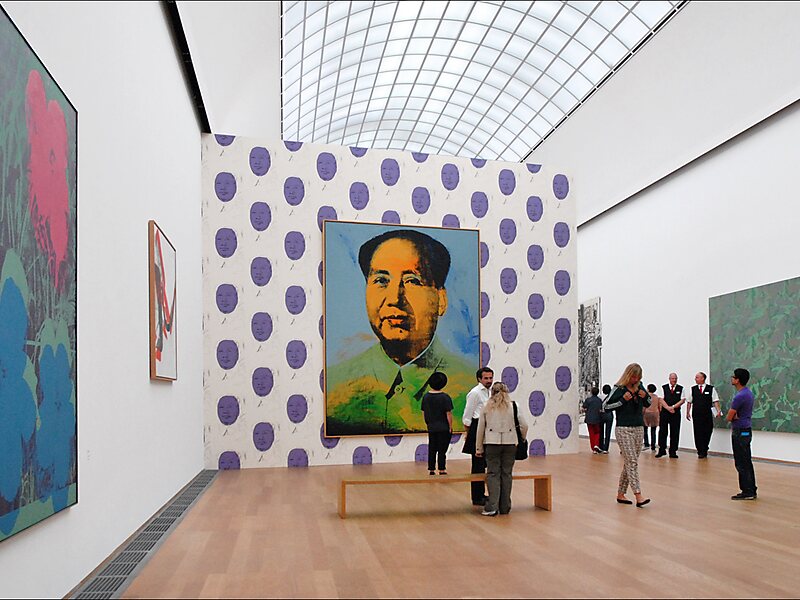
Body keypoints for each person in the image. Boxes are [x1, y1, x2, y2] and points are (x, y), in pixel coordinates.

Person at [326, 229, 476, 435]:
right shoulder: (334, 388)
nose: (394, 298)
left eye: (412, 281)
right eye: (381, 280)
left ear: (441, 300)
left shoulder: (468, 387)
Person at [475, 382, 528, 516]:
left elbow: (480, 428)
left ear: (492, 392)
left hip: (491, 444)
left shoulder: (486, 406)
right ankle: (505, 507)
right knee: (507, 474)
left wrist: (479, 448)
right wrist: (521, 438)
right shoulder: (514, 406)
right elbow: (524, 425)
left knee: (493, 474)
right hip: (510, 443)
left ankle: (492, 507)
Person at [604, 363, 651, 507]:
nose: (635, 380)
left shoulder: (640, 387)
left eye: (638, 377)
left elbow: (648, 403)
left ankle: (621, 493)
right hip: (623, 429)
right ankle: (638, 495)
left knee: (630, 462)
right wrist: (622, 401)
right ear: (628, 375)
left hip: (639, 428)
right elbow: (605, 406)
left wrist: (645, 397)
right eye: (633, 377)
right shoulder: (618, 388)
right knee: (632, 462)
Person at [462, 367, 493, 505]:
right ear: (479, 379)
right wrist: (469, 433)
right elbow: (467, 416)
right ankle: (476, 497)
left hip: (487, 428)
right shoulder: (475, 393)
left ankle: (482, 494)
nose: (489, 381)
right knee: (477, 465)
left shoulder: (490, 392)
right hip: (476, 428)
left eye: (490, 378)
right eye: (486, 378)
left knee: (484, 464)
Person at [727, 368, 757, 500]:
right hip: (745, 429)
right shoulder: (748, 393)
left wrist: (733, 416)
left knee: (741, 462)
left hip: (740, 431)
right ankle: (750, 489)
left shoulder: (739, 396)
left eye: (733, 377)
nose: (732, 378)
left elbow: (729, 417)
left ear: (738, 380)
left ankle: (748, 491)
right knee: (746, 461)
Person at [421, 371, 453, 475]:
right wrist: (450, 426)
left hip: (431, 426)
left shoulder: (426, 397)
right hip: (443, 427)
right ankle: (442, 469)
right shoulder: (445, 397)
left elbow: (424, 412)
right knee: (442, 449)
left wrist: (428, 423)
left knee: (432, 448)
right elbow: (448, 413)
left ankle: (431, 469)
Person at [687, 372, 722, 459]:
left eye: (697, 377)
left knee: (708, 431)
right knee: (698, 432)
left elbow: (715, 401)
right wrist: (687, 412)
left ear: (702, 378)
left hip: (707, 414)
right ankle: (700, 451)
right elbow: (689, 402)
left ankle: (705, 448)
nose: (695, 379)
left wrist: (718, 410)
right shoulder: (693, 389)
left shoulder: (711, 389)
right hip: (696, 414)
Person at [657, 372, 686, 458]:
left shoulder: (681, 388)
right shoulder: (664, 387)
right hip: (665, 413)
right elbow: (661, 399)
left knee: (675, 432)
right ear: (669, 379)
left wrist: (673, 407)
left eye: (675, 379)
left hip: (675, 413)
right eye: (672, 378)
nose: (674, 380)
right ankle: (662, 450)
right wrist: (668, 408)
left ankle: (673, 451)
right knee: (662, 431)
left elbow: (682, 400)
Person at [582, 387, 603, 453]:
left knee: (591, 433)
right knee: (597, 432)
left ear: (591, 392)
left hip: (589, 419)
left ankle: (593, 447)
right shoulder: (599, 400)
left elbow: (584, 407)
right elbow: (600, 409)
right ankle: (596, 444)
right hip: (597, 418)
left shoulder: (588, 400)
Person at [643, 384, 660, 451]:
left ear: (648, 389)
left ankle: (646, 444)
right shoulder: (656, 397)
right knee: (653, 431)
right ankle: (653, 446)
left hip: (646, 413)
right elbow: (659, 406)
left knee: (645, 430)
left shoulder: (646, 396)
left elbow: (644, 406)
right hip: (655, 414)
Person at [599, 384, 613, 454]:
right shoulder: (611, 397)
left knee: (601, 431)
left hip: (601, 415)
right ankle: (606, 448)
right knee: (608, 432)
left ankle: (601, 446)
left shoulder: (599, 397)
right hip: (609, 414)